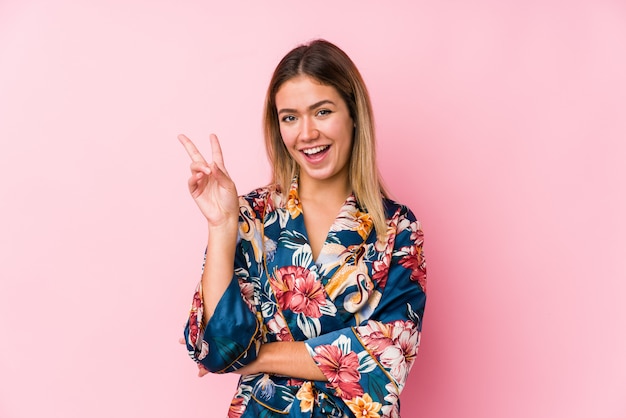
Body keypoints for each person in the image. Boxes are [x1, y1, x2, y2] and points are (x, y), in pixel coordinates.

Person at [179, 39, 427, 418]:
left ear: (353, 113)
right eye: (290, 117)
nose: (306, 133)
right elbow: (221, 347)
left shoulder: (396, 228)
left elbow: (386, 359)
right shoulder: (254, 216)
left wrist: (258, 357)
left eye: (322, 111)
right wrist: (223, 225)